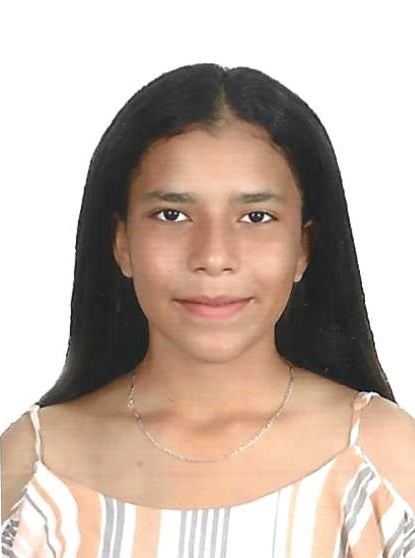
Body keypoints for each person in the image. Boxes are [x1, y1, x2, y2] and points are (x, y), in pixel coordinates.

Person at [1, 63, 414, 557]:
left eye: (256, 216)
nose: (214, 257)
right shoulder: (34, 469)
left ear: (303, 247)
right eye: (172, 215)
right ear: (121, 242)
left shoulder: (383, 463)